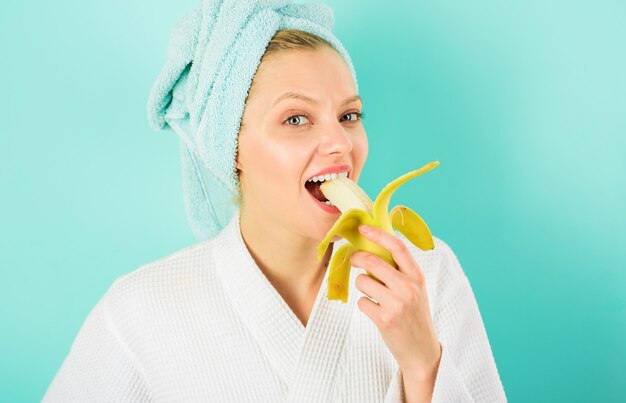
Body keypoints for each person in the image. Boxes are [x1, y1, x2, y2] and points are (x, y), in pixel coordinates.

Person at [42, 1, 507, 402]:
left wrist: (423, 364)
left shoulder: (427, 274)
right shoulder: (139, 312)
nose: (339, 143)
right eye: (297, 119)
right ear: (231, 148)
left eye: (349, 115)